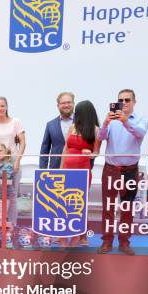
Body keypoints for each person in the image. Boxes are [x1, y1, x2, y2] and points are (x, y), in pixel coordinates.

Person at [97, 89, 148, 255]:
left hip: (130, 170)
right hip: (111, 169)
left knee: (127, 207)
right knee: (108, 207)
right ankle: (107, 241)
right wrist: (105, 123)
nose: (124, 102)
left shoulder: (141, 120)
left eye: (127, 100)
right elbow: (100, 137)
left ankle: (124, 242)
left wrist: (126, 121)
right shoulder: (111, 121)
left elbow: (139, 133)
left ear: (134, 102)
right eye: (121, 100)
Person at [0, 96, 26, 244]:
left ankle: (11, 228)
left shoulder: (16, 122)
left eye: (2, 105)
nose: (0, 108)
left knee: (12, 198)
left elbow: (23, 142)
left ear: (6, 107)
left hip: (12, 165)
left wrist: (18, 160)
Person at [60, 100, 100, 247]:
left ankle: (78, 236)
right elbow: (65, 149)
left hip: (82, 171)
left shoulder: (95, 130)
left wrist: (90, 153)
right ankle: (63, 235)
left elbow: (96, 153)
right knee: (63, 202)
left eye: (79, 112)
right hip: (67, 170)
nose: (76, 114)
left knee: (78, 204)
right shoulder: (73, 127)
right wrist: (61, 169)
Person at [40, 92, 75, 169]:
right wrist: (42, 170)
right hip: (56, 169)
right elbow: (44, 150)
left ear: (73, 103)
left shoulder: (81, 122)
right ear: (58, 106)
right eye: (63, 103)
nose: (66, 105)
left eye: (69, 102)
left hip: (77, 168)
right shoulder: (50, 125)